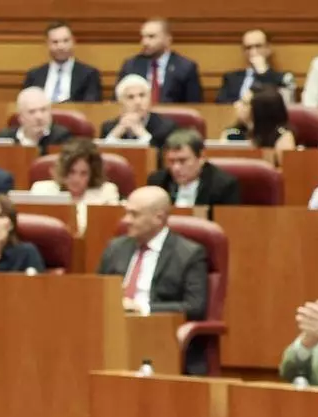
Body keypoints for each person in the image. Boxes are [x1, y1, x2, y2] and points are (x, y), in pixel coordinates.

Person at [96, 186, 208, 373]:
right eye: (126, 213)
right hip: (112, 330)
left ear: (158, 217)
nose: (126, 220)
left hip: (158, 335)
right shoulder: (116, 248)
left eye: (134, 214)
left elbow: (194, 306)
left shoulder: (188, 254)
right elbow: (96, 294)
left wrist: (142, 308)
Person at [29, 138, 121, 233]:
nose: (76, 179)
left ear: (92, 174)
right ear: (63, 170)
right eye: (71, 172)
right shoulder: (41, 190)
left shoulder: (107, 193)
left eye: (84, 173)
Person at [146, 129, 242, 214]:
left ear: (201, 158)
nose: (176, 168)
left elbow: (227, 222)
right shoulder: (158, 182)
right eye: (171, 161)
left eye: (182, 161)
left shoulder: (223, 185)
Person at [116, 18, 203, 103]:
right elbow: (117, 101)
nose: (145, 42)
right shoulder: (131, 65)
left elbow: (195, 105)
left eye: (151, 37)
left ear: (167, 39)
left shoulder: (186, 67)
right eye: (143, 37)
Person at [21, 21, 103, 103]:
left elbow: (91, 105)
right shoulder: (34, 75)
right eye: (55, 42)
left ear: (73, 42)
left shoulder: (89, 75)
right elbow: (25, 103)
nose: (60, 46)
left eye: (65, 41)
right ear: (47, 44)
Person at [220, 84, 296, 166]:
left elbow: (288, 169)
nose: (236, 104)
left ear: (259, 110)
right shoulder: (231, 134)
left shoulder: (282, 137)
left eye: (244, 103)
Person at [215, 29, 296, 104]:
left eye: (258, 46)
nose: (253, 52)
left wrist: (263, 73)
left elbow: (283, 106)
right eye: (248, 48)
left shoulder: (283, 78)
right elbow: (220, 105)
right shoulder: (231, 78)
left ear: (268, 49)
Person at [100, 74, 178, 149]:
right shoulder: (108, 127)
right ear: (121, 103)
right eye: (130, 97)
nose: (138, 102)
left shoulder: (165, 127)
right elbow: (103, 155)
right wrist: (118, 131)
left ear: (149, 99)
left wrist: (141, 132)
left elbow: (160, 156)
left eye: (142, 95)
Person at [0, 87, 74, 151]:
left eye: (43, 110)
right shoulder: (4, 137)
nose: (39, 117)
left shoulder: (61, 137)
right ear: (20, 117)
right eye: (32, 112)